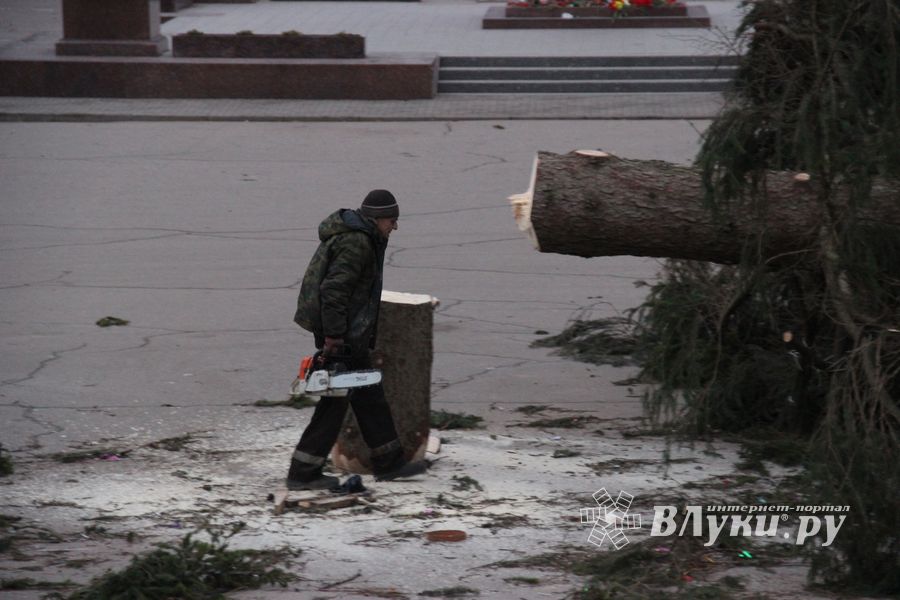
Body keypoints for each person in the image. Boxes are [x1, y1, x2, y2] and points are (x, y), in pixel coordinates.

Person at [286, 189, 428, 490]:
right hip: (342, 333)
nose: (395, 227)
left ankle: (390, 462)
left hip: (349, 332)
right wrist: (335, 337)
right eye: (392, 220)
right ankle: (303, 471)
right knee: (334, 403)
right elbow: (334, 291)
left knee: (368, 394)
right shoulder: (357, 242)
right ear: (377, 219)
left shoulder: (363, 236)